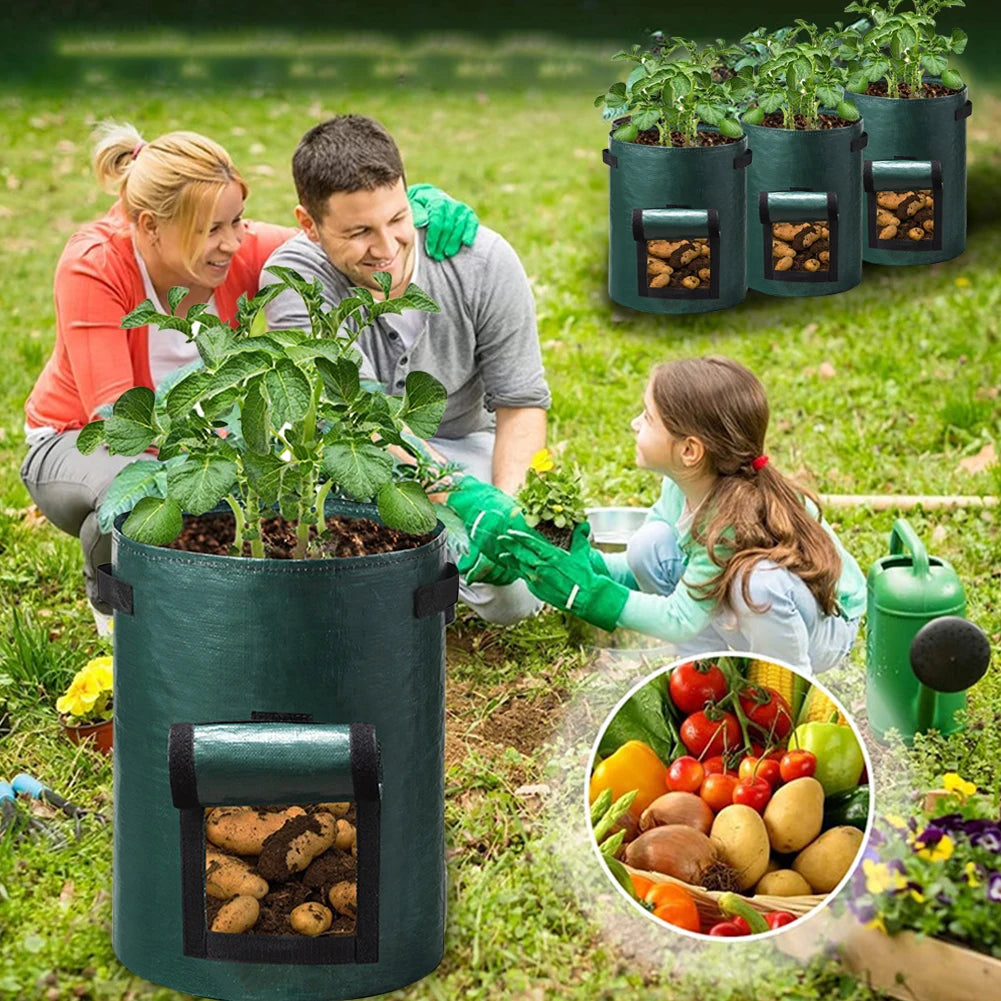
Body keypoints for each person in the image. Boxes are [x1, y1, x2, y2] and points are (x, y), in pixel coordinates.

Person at [20, 122, 474, 633]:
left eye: (237, 220)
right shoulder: (94, 266)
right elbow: (121, 419)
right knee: (137, 500)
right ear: (149, 226)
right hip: (78, 440)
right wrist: (229, 464)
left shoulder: (240, 249)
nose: (233, 242)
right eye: (211, 229)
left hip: (201, 443)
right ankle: (117, 617)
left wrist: (416, 211)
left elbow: (329, 238)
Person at [264, 115, 551, 626]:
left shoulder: (482, 261)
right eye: (359, 232)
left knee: (517, 598)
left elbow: (521, 402)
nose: (387, 248)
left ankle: (413, 580)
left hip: (462, 447)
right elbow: (361, 420)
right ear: (308, 225)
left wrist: (503, 510)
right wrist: (460, 498)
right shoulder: (295, 280)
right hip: (351, 458)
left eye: (397, 219)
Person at [450, 356, 866, 673]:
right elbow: (637, 568)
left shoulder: (735, 520)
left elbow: (682, 616)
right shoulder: (682, 486)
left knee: (755, 586)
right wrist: (572, 562)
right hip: (752, 596)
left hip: (823, 628)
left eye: (647, 418)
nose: (634, 423)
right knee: (650, 546)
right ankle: (705, 673)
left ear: (689, 450)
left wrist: (593, 596)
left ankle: (782, 689)